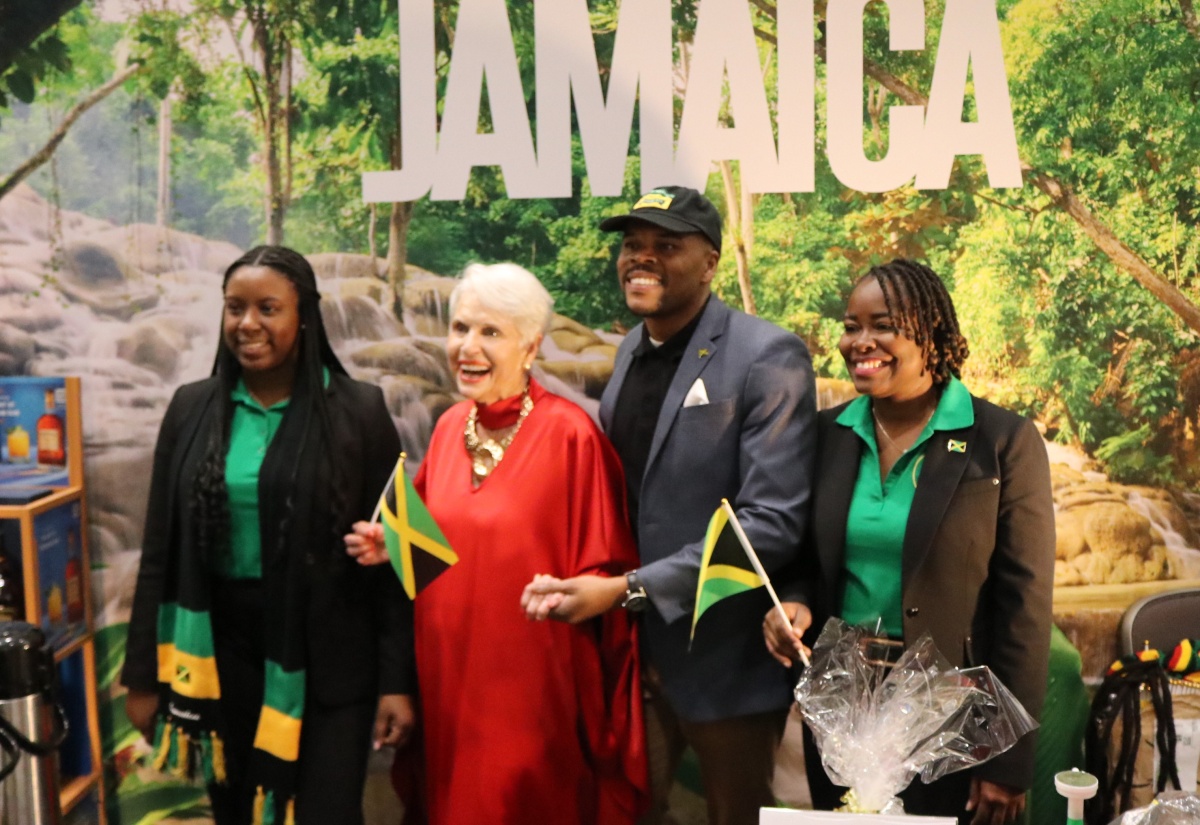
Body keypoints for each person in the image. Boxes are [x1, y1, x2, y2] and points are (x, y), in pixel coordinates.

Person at [522, 186, 817, 825]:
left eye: (665, 245)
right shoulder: (629, 349)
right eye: (632, 245)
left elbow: (772, 522)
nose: (641, 259)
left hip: (728, 667)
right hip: (637, 663)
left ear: (709, 262)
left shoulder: (767, 354)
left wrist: (627, 590)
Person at [345, 262, 648, 825]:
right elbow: (442, 544)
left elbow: (608, 579)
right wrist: (393, 544)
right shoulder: (446, 427)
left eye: (490, 332)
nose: (467, 347)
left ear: (530, 346)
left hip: (531, 689)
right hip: (448, 682)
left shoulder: (572, 437)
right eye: (460, 329)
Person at [121, 246, 415, 825]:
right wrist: (143, 677)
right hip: (220, 665)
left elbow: (398, 557)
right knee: (236, 814)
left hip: (333, 668)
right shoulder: (191, 409)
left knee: (328, 814)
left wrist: (397, 682)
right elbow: (159, 552)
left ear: (303, 315)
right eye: (235, 308)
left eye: (267, 308)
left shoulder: (360, 411)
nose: (247, 324)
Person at [763, 259, 1055, 825]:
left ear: (931, 332)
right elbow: (802, 560)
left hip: (953, 714)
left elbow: (1025, 608)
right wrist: (793, 600)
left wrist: (1008, 760)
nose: (860, 342)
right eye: (851, 325)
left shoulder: (1001, 442)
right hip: (844, 707)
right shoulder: (828, 434)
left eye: (884, 325)